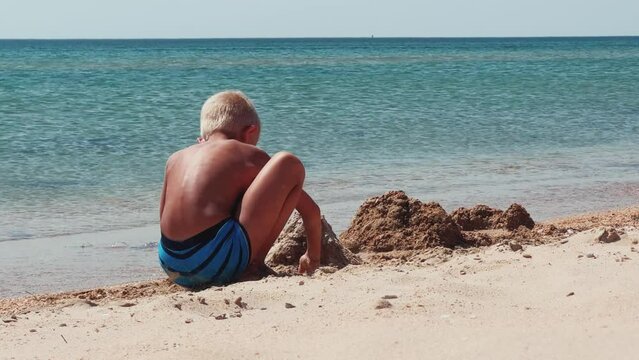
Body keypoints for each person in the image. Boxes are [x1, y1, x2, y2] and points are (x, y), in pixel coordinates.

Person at [158, 91, 321, 288]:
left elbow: (164, 217)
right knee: (288, 163)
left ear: (202, 138)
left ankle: (241, 261)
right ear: (249, 132)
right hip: (213, 263)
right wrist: (312, 255)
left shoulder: (175, 159)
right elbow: (310, 210)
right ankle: (253, 265)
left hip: (171, 264)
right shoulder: (247, 154)